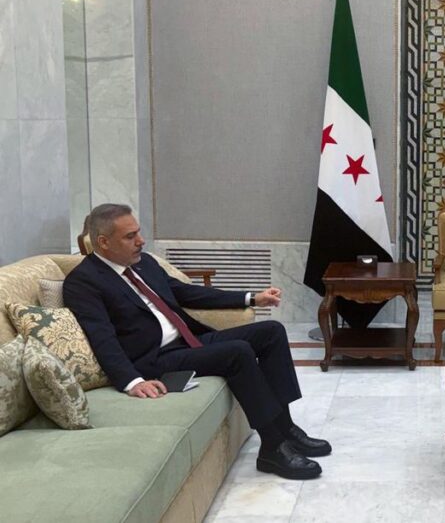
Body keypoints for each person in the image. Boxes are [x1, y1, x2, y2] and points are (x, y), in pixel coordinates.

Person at [64, 203, 331, 481]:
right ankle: (272, 448)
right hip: (154, 359)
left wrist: (251, 297)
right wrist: (132, 381)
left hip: (188, 341)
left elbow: (185, 292)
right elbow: (101, 337)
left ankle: (286, 428)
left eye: (139, 232)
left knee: (272, 331)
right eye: (130, 236)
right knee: (237, 352)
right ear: (104, 242)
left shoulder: (143, 263)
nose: (141, 241)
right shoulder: (84, 282)